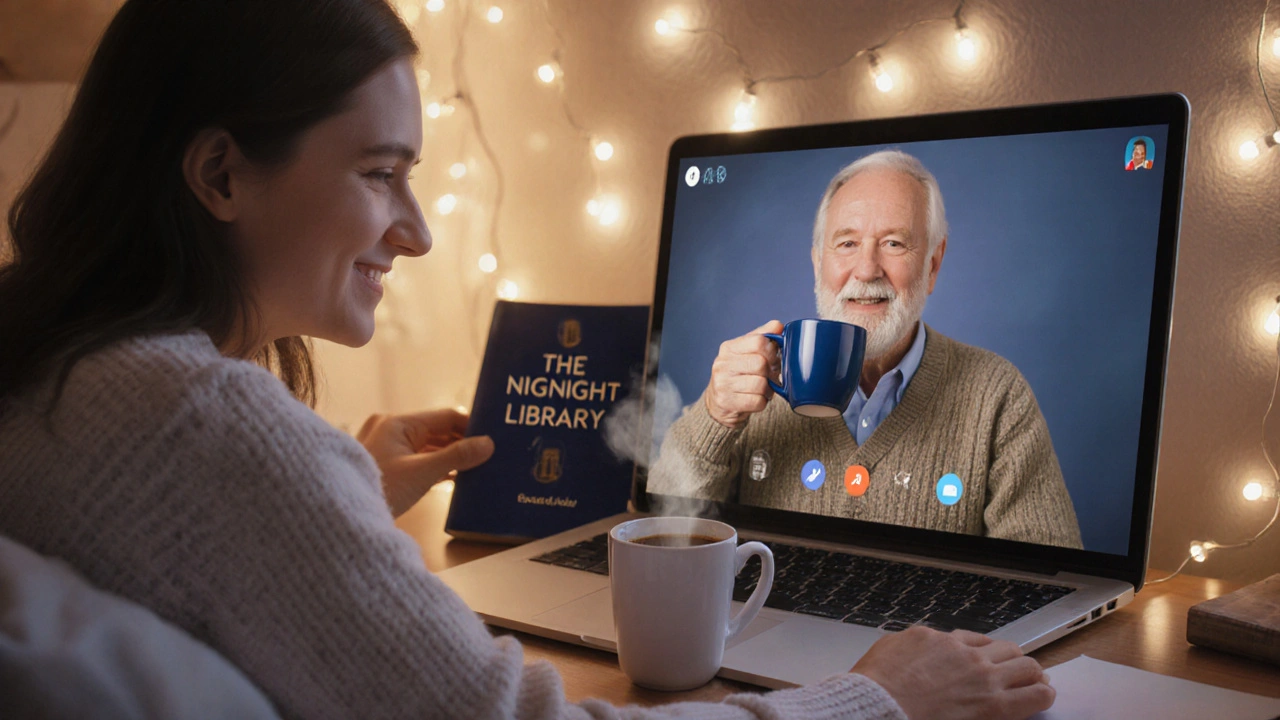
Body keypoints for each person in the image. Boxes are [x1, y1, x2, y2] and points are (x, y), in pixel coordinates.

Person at [0, 2, 1056, 718]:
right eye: (379, 173)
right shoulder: (214, 432)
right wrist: (875, 699)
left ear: (933, 263)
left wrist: (337, 495)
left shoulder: (56, 361)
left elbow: (186, 545)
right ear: (220, 173)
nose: (414, 232)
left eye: (895, 245)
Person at [649, 150, 1083, 550]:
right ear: (818, 261)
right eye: (847, 243)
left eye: (894, 243)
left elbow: (1050, 574)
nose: (867, 269)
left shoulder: (996, 393)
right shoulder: (757, 382)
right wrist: (714, 418)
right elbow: (661, 535)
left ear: (932, 265)